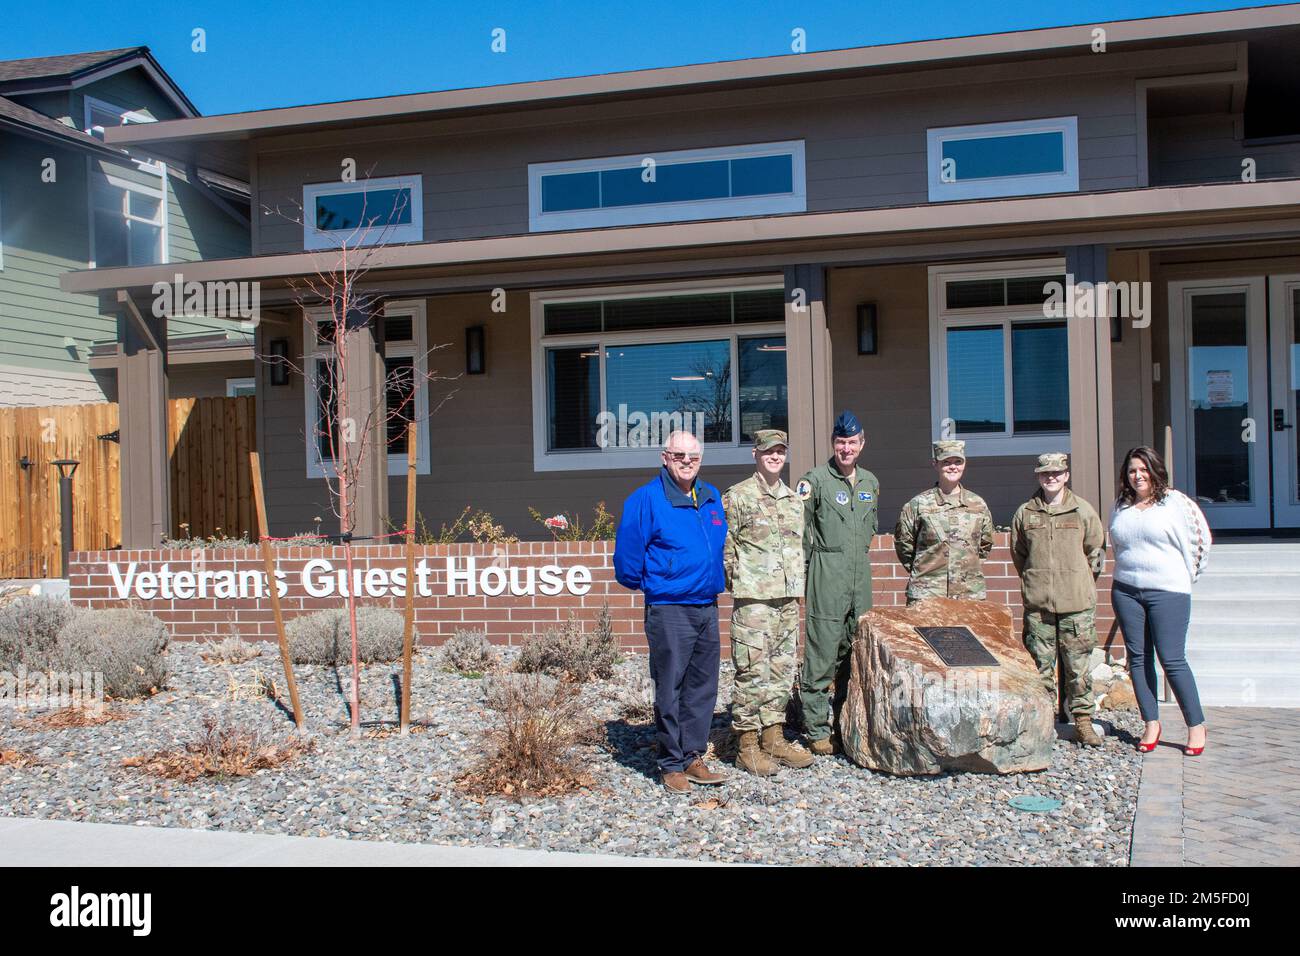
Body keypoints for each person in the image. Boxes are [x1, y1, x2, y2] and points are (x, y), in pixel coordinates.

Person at [614, 429, 731, 792]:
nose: (686, 462)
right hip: (669, 609)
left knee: (702, 686)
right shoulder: (645, 500)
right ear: (665, 457)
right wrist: (660, 582)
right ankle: (670, 763)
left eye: (692, 457)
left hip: (706, 606)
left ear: (701, 460)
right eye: (678, 455)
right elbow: (627, 562)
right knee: (671, 687)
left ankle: (693, 754)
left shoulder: (710, 497)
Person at [1108, 446, 1211, 756]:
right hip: (1126, 590)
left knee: (1172, 659)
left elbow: (1200, 541)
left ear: (1154, 470)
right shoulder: (1121, 505)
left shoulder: (1175, 502)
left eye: (1143, 469)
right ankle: (1151, 723)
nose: (1137, 476)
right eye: (1131, 471)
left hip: (1168, 591)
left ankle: (1196, 725)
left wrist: (1185, 576)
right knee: (1138, 658)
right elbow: (1117, 543)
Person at [721, 429, 813, 775]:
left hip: (787, 598)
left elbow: (797, 548)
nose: (775, 456)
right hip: (755, 600)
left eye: (780, 451)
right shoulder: (739, 496)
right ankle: (746, 744)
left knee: (781, 668)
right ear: (755, 455)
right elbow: (726, 547)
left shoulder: (792, 500)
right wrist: (740, 584)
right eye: (768, 451)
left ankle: (773, 737)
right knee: (751, 670)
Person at [796, 410, 880, 756]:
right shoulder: (814, 481)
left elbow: (870, 527)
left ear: (862, 444)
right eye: (841, 442)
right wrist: (802, 579)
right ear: (833, 444)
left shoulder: (871, 482)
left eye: (852, 442)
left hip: (860, 577)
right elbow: (800, 532)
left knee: (854, 651)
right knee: (822, 653)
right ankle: (816, 729)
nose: (846, 448)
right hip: (827, 573)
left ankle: (846, 721)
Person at [1010, 453, 1107, 746]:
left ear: (1066, 475)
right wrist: (1038, 582)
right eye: (1045, 474)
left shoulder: (1082, 511)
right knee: (1040, 668)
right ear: (1038, 476)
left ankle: (1083, 722)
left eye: (1057, 473)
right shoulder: (1026, 513)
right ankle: (1042, 723)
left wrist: (1081, 582)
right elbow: (1020, 555)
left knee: (1077, 668)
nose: (1051, 478)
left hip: (1076, 605)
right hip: (1040, 607)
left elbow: (1096, 551)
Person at [894, 440, 994, 604]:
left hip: (968, 593)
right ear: (935, 464)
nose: (952, 467)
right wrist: (927, 571)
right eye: (946, 462)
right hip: (927, 594)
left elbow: (985, 544)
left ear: (964, 464)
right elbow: (904, 545)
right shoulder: (918, 504)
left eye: (957, 462)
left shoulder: (977, 504)